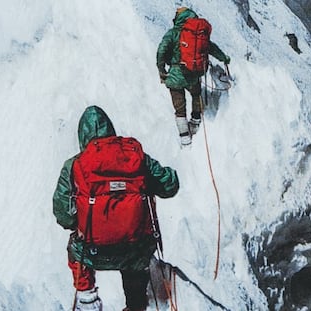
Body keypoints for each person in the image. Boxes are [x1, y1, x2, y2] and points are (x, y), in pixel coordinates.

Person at [53, 106, 179, 311]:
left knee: (74, 250)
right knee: (135, 263)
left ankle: (87, 299)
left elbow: (64, 216)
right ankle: (136, 304)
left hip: (93, 251)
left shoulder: (74, 165)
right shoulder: (135, 157)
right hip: (136, 249)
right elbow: (169, 186)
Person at [156, 7, 231, 146]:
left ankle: (185, 138)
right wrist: (224, 58)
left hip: (176, 75)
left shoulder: (173, 34)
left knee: (179, 107)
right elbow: (212, 48)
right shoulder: (198, 34)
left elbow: (161, 50)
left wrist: (162, 69)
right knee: (196, 95)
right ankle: (195, 123)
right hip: (193, 74)